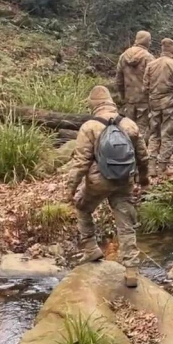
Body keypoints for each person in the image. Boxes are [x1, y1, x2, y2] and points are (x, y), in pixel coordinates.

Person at [67, 85, 150, 288]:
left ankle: (90, 248)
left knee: (82, 207)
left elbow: (80, 163)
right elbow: (143, 157)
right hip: (124, 180)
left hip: (98, 182)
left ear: (93, 105)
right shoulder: (129, 124)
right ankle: (131, 268)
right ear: (111, 102)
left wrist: (70, 190)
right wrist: (144, 180)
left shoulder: (89, 127)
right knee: (126, 221)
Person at [143, 37, 173, 177]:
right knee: (167, 135)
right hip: (170, 106)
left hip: (154, 104)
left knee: (154, 134)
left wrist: (150, 101)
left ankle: (150, 166)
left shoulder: (151, 65)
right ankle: (162, 167)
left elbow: (145, 88)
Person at [116, 30, 155, 137]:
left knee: (127, 129)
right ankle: (139, 153)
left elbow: (119, 80)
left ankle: (125, 151)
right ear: (146, 41)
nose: (150, 43)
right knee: (140, 131)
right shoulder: (149, 58)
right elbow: (154, 80)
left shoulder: (123, 56)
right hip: (144, 100)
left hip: (129, 100)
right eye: (149, 40)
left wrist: (122, 96)